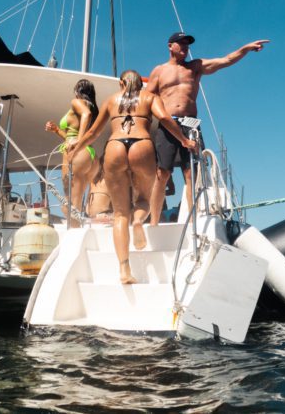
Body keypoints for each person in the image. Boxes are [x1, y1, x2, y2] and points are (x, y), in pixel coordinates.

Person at [69, 69, 196, 284]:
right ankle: (138, 221)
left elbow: (93, 133)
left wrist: (75, 149)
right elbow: (164, 117)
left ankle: (124, 271)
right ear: (140, 84)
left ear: (121, 83)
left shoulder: (111, 100)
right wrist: (184, 140)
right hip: (141, 144)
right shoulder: (149, 97)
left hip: (115, 146)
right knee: (145, 199)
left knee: (119, 214)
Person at [145, 32, 269, 225]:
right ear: (170, 46)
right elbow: (147, 98)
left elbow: (226, 60)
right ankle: (153, 222)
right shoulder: (159, 71)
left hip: (190, 123)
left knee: (191, 175)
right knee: (162, 174)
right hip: (168, 124)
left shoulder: (195, 66)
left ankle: (193, 223)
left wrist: (245, 48)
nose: (185, 47)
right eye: (181, 43)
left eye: (187, 44)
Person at [45, 79, 100, 226]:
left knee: (68, 206)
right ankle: (77, 232)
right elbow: (71, 135)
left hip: (78, 153)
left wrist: (79, 141)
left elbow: (86, 114)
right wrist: (57, 130)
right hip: (90, 155)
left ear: (77, 91)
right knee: (75, 204)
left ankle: (74, 237)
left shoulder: (77, 103)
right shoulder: (94, 107)